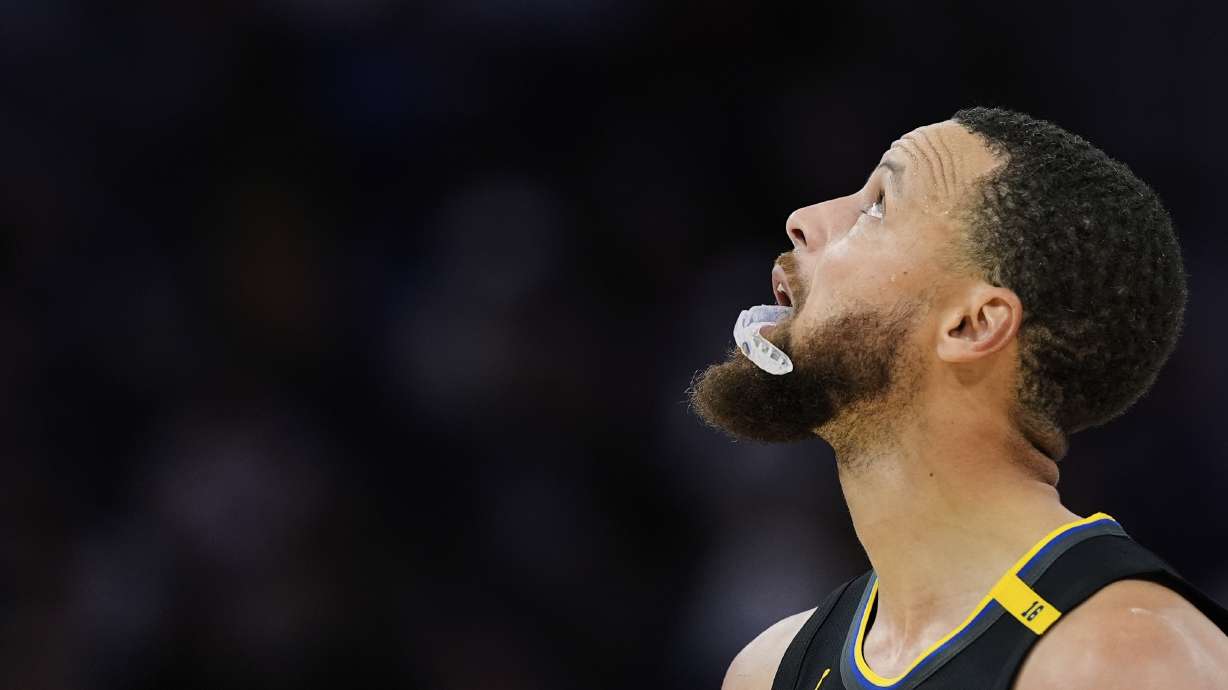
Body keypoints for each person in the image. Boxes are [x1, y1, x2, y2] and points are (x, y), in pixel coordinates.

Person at [689, 107, 1228, 690]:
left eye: (878, 205)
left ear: (972, 325)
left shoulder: (1127, 659)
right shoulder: (767, 670)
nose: (802, 220)